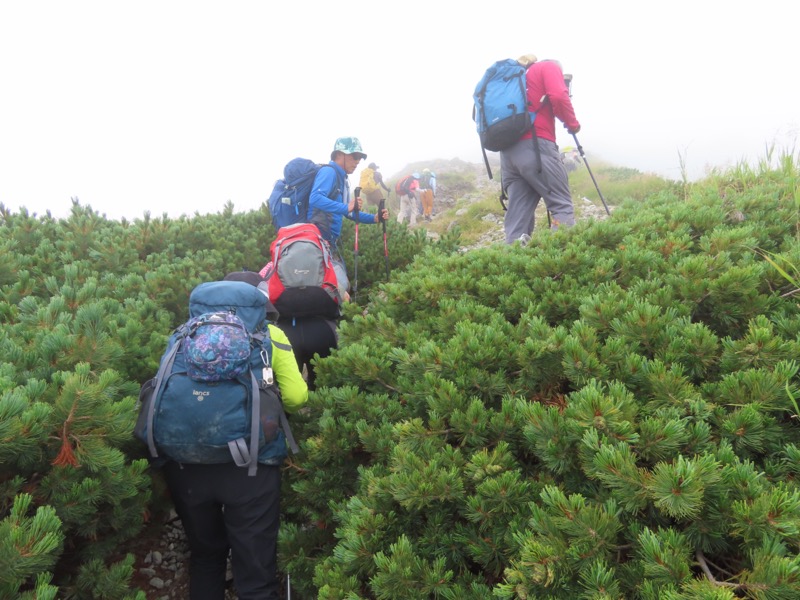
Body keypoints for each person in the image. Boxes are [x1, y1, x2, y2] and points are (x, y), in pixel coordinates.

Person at [163, 270, 308, 600]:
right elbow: (298, 399)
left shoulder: (183, 335)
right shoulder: (272, 335)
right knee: (255, 574)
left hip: (185, 464)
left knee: (206, 557)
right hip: (251, 467)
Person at [501, 53, 581, 245]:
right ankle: (561, 260)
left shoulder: (515, 80)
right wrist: (572, 124)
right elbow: (559, 96)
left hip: (508, 154)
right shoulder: (548, 67)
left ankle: (513, 264)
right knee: (561, 205)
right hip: (536, 146)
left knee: (518, 217)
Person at [307, 136, 389, 293]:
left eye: (359, 157)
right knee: (330, 288)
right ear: (339, 155)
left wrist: (374, 218)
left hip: (329, 241)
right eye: (354, 156)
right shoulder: (328, 172)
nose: (358, 161)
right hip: (317, 239)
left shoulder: (343, 180)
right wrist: (346, 207)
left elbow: (349, 212)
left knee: (335, 286)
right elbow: (315, 198)